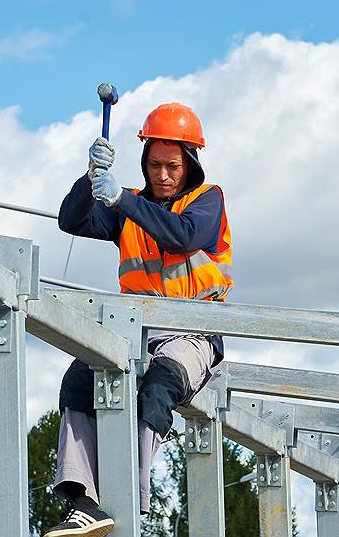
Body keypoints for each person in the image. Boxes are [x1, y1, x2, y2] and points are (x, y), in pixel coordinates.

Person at [44, 103, 233, 537]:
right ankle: (82, 500)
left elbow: (182, 235)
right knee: (79, 378)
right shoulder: (126, 204)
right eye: (154, 165)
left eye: (172, 166)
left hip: (192, 332)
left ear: (190, 165)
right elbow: (70, 220)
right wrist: (88, 179)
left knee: (160, 385)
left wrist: (121, 198)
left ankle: (130, 492)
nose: (163, 174)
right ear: (144, 163)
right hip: (135, 330)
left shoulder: (208, 201)